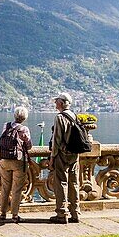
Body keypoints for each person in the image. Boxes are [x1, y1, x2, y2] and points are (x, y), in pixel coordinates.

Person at [0, 106, 33, 223]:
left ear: (14, 115)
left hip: (4, 160)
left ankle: (2, 213)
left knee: (5, 187)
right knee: (17, 189)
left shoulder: (6, 126)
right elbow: (29, 147)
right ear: (25, 118)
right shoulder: (24, 129)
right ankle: (15, 215)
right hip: (18, 161)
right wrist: (26, 140)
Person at [49, 92, 81, 223]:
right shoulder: (74, 116)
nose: (55, 104)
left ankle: (62, 214)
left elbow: (57, 139)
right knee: (74, 182)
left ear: (61, 103)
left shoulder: (60, 117)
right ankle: (75, 212)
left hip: (62, 154)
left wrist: (52, 157)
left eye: (56, 102)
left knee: (61, 182)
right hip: (75, 154)